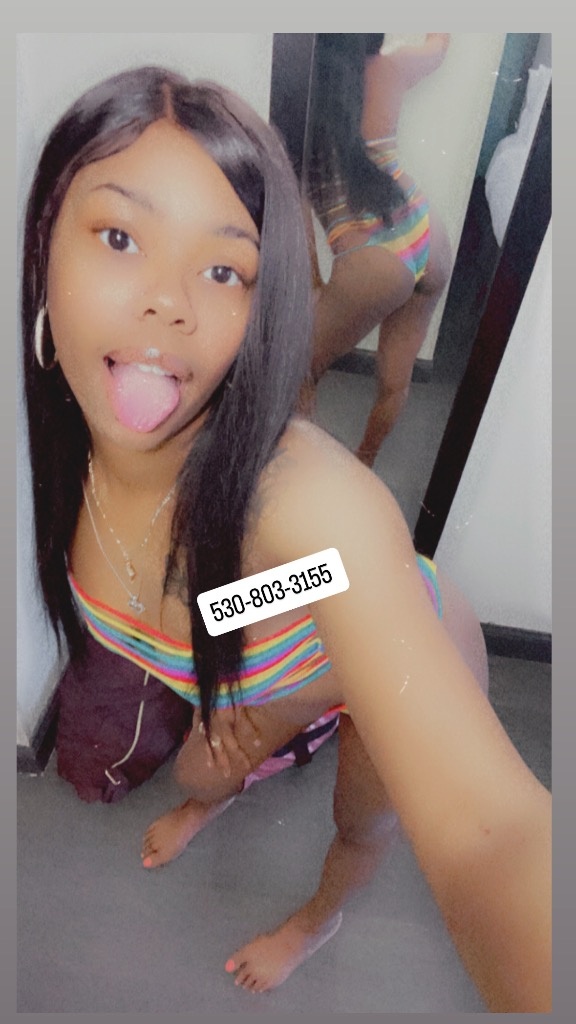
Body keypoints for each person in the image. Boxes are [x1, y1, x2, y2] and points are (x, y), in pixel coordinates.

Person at [21, 65, 551, 1011]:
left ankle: (319, 921)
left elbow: (494, 838)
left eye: (223, 269)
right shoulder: (64, 455)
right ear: (41, 251)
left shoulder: (309, 505)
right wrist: (238, 692)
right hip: (259, 647)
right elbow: (231, 606)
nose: (170, 302)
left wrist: (274, 711)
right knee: (204, 763)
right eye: (120, 237)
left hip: (385, 649)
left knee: (360, 824)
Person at [304, 33, 453, 464]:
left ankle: (302, 476)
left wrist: (315, 284)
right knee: (395, 381)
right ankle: (365, 460)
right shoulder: (391, 67)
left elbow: (295, 210)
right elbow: (440, 46)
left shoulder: (301, 99)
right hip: (426, 232)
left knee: (299, 372)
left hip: (372, 260)